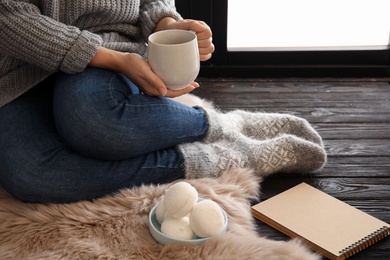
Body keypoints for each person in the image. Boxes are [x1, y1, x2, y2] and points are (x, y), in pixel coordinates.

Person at [0, 0, 326, 204]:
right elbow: (7, 15)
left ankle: (222, 125)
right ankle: (221, 157)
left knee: (93, 122)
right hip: (20, 66)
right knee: (33, 175)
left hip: (111, 48)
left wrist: (166, 23)